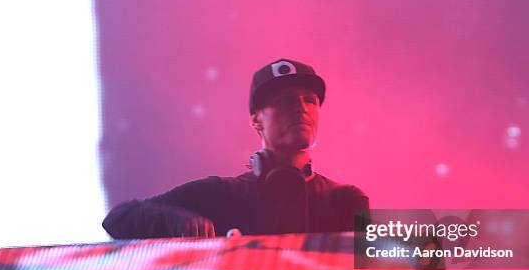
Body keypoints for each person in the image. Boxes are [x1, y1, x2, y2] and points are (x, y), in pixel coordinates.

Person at [102, 58, 369, 239]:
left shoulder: (345, 200)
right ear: (256, 120)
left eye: (310, 100)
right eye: (286, 101)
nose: (301, 107)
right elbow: (118, 219)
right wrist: (175, 220)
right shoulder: (221, 194)